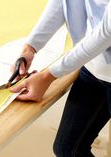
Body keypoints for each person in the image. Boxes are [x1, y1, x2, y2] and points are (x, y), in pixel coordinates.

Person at [10, 0, 111, 156]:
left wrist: (48, 76)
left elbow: (104, 35)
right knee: (68, 150)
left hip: (99, 57)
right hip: (92, 69)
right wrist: (30, 47)